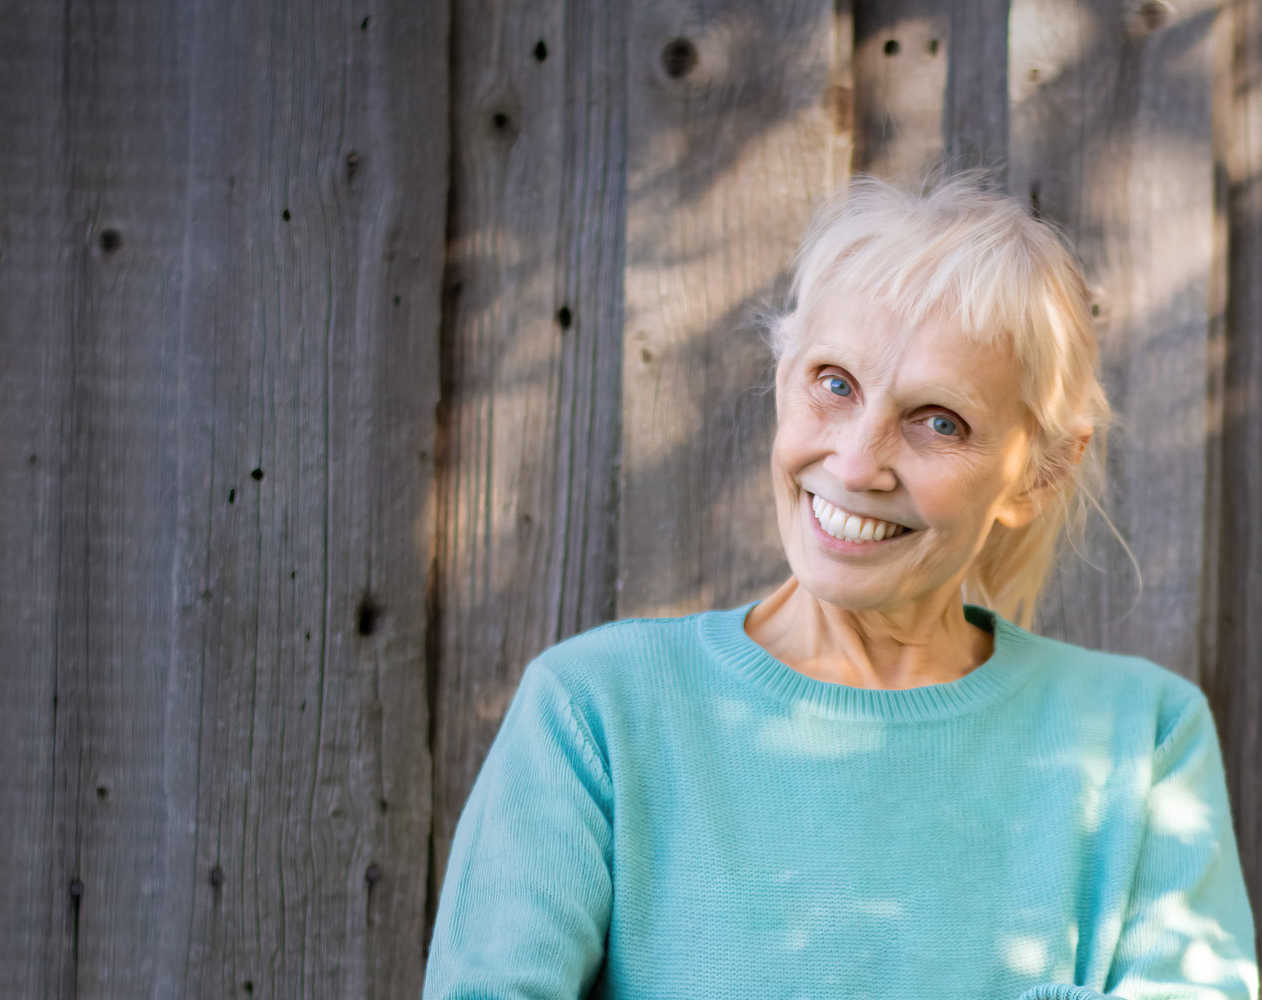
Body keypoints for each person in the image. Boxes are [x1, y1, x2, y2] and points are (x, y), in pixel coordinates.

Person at [422, 174, 1259, 1000]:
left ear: (1034, 478)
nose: (857, 463)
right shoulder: (594, 710)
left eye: (940, 421)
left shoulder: (1145, 741)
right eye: (835, 383)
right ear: (784, 380)